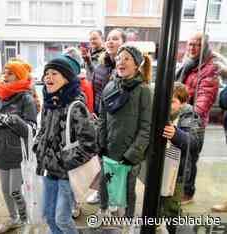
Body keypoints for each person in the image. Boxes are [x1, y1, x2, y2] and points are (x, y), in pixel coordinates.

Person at [33, 55, 97, 233]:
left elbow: (90, 144)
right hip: (49, 171)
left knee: (62, 217)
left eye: (54, 73)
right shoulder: (48, 103)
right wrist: (38, 148)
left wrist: (64, 161)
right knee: (48, 214)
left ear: (67, 78)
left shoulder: (76, 106)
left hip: (68, 174)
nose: (48, 77)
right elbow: (42, 132)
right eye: (46, 73)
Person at [98, 44, 152, 217]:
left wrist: (131, 156)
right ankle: (104, 210)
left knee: (128, 190)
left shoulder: (144, 91)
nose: (121, 61)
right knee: (105, 184)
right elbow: (102, 120)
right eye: (119, 58)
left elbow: (146, 127)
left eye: (127, 58)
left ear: (136, 64)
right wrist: (101, 144)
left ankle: (128, 220)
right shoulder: (109, 87)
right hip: (109, 150)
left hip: (129, 155)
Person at [0, 61, 37, 233]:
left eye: (9, 73)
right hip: (0, 151)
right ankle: (13, 218)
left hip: (18, 153)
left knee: (15, 190)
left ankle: (25, 220)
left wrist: (13, 120)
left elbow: (31, 129)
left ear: (18, 76)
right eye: (4, 72)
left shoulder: (26, 98)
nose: (5, 75)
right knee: (5, 190)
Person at [176, 32, 219, 205]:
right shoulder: (188, 64)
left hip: (194, 120)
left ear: (205, 47)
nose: (192, 48)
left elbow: (203, 101)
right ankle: (179, 189)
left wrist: (187, 112)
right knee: (179, 157)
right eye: (190, 44)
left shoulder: (209, 69)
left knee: (189, 158)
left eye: (197, 45)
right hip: (181, 115)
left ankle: (188, 193)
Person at [86, 28, 127, 205]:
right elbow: (95, 89)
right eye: (109, 39)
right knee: (100, 157)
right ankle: (101, 192)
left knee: (115, 160)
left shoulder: (127, 67)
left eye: (115, 39)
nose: (110, 41)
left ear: (123, 43)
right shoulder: (102, 64)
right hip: (100, 119)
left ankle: (113, 196)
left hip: (118, 121)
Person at [161, 82, 204, 234]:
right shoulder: (164, 113)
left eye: (172, 101)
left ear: (183, 102)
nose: (168, 104)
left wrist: (176, 134)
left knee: (171, 208)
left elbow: (195, 143)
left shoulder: (191, 115)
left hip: (178, 172)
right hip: (163, 167)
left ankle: (173, 229)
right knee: (161, 204)